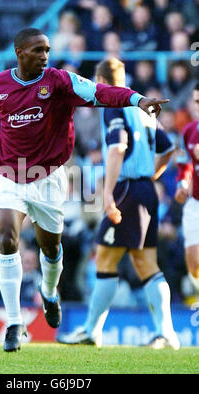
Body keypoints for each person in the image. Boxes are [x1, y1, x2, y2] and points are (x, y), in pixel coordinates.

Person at [0, 28, 169, 352]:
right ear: (19, 52)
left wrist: (138, 100)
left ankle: (49, 291)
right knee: (7, 237)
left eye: (48, 50)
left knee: (50, 250)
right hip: (9, 174)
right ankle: (14, 324)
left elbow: (102, 93)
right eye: (38, 50)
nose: (45, 56)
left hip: (49, 177)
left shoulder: (59, 81)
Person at [57, 57, 180, 350]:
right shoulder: (144, 109)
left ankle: (91, 330)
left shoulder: (114, 106)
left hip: (126, 189)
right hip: (145, 190)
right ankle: (165, 333)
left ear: (100, 80)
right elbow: (167, 147)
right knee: (144, 262)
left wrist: (109, 192)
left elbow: (116, 148)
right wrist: (150, 174)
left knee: (108, 258)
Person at [175, 83, 199, 295]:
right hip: (195, 202)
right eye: (196, 102)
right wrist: (182, 183)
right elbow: (185, 164)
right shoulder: (189, 131)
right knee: (193, 261)